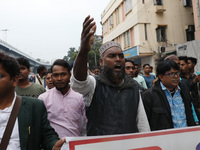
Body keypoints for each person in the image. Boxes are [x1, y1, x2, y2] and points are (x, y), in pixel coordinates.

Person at [71, 15, 150, 136]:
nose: (118, 59)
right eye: (112, 56)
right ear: (101, 62)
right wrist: (83, 50)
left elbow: (142, 124)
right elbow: (78, 83)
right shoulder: (94, 84)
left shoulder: (133, 86)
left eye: (121, 56)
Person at [0, 52, 65, 150]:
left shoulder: (34, 107)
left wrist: (54, 145)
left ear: (14, 80)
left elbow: (47, 136)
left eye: (0, 76)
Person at [142, 60, 196, 131]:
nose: (176, 76)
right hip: (164, 140)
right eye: (171, 74)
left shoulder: (183, 91)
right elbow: (146, 123)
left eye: (177, 73)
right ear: (161, 77)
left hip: (186, 136)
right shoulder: (149, 96)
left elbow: (189, 114)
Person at [38, 59, 87, 138]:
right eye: (56, 75)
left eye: (63, 74)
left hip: (75, 145)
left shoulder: (79, 98)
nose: (59, 78)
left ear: (69, 75)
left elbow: (84, 126)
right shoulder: (43, 98)